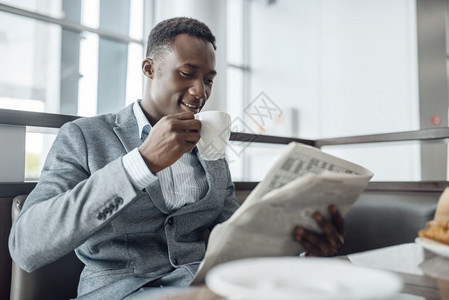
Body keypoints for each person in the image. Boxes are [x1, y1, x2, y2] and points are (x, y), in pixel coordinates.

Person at [9, 17, 344, 299]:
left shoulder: (210, 144)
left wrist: (300, 247)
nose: (201, 92)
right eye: (187, 73)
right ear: (150, 68)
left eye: (208, 79)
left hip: (205, 285)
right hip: (121, 292)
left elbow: (231, 236)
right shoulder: (84, 136)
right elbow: (27, 246)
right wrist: (141, 164)